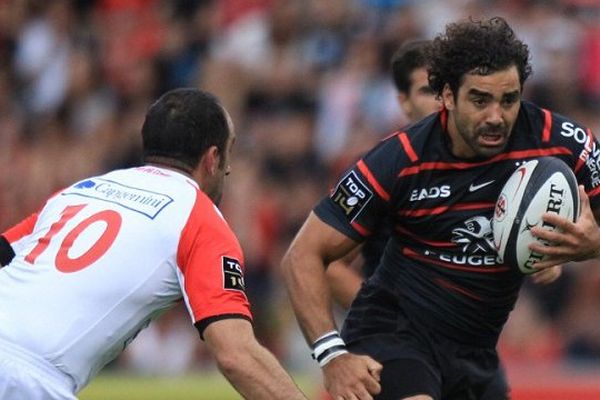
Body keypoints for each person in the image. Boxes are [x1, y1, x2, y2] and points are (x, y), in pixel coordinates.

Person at [281, 17, 600, 400]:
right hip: (394, 334)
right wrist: (332, 356)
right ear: (448, 96)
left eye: (509, 99)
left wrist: (591, 244)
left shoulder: (561, 142)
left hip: (477, 351)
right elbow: (302, 255)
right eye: (480, 100)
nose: (496, 116)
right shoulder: (400, 158)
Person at [0, 88, 307, 400]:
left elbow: (5, 251)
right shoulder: (199, 217)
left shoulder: (81, 191)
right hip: (26, 381)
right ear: (213, 159)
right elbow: (236, 355)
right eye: (229, 153)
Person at [325, 39, 442, 309]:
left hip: (466, 341)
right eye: (427, 91)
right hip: (397, 344)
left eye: (444, 89)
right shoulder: (377, 170)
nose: (439, 102)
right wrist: (383, 318)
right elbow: (331, 264)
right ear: (404, 102)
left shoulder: (484, 166)